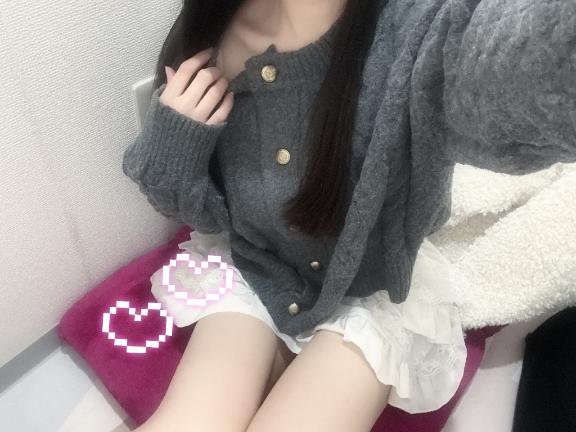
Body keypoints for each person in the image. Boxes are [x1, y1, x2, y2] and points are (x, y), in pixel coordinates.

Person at [123, 0, 576, 430]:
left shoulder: (418, 30)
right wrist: (175, 135)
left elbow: (519, 65)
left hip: (372, 296)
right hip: (254, 266)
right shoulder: (207, 27)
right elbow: (201, 211)